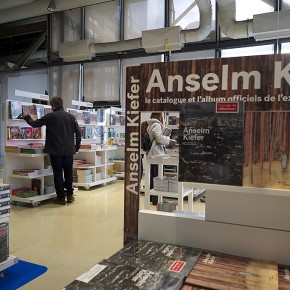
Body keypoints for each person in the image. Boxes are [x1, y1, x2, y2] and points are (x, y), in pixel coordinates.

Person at [23, 96, 81, 205]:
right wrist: (76, 147)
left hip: (56, 151)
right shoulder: (71, 117)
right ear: (62, 104)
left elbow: (35, 124)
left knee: (58, 174)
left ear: (53, 105)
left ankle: (61, 198)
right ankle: (70, 196)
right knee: (68, 174)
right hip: (69, 151)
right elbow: (78, 133)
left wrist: (27, 117)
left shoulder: (50, 116)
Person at [142, 112, 176, 205]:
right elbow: (159, 139)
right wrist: (169, 140)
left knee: (153, 176)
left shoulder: (150, 124)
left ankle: (152, 198)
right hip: (156, 154)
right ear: (161, 117)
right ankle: (155, 199)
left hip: (152, 153)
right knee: (157, 177)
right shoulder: (156, 124)